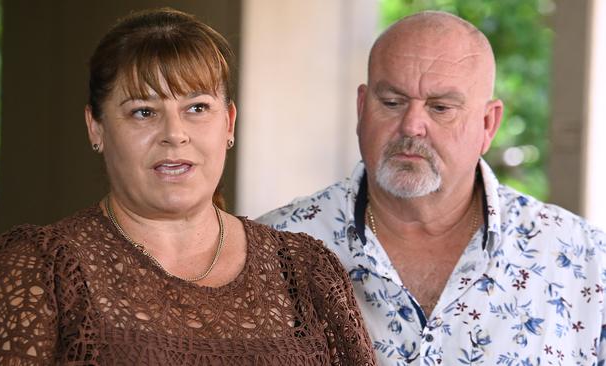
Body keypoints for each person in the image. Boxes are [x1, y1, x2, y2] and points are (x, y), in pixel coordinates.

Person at [0, 8, 376, 365]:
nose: (174, 134)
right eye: (143, 112)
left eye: (197, 108)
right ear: (96, 128)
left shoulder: (305, 273)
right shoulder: (39, 272)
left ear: (228, 123)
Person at [259, 10, 606, 365]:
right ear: (362, 108)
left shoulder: (586, 260)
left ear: (489, 124)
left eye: (440, 108)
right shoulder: (268, 253)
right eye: (392, 102)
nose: (412, 126)